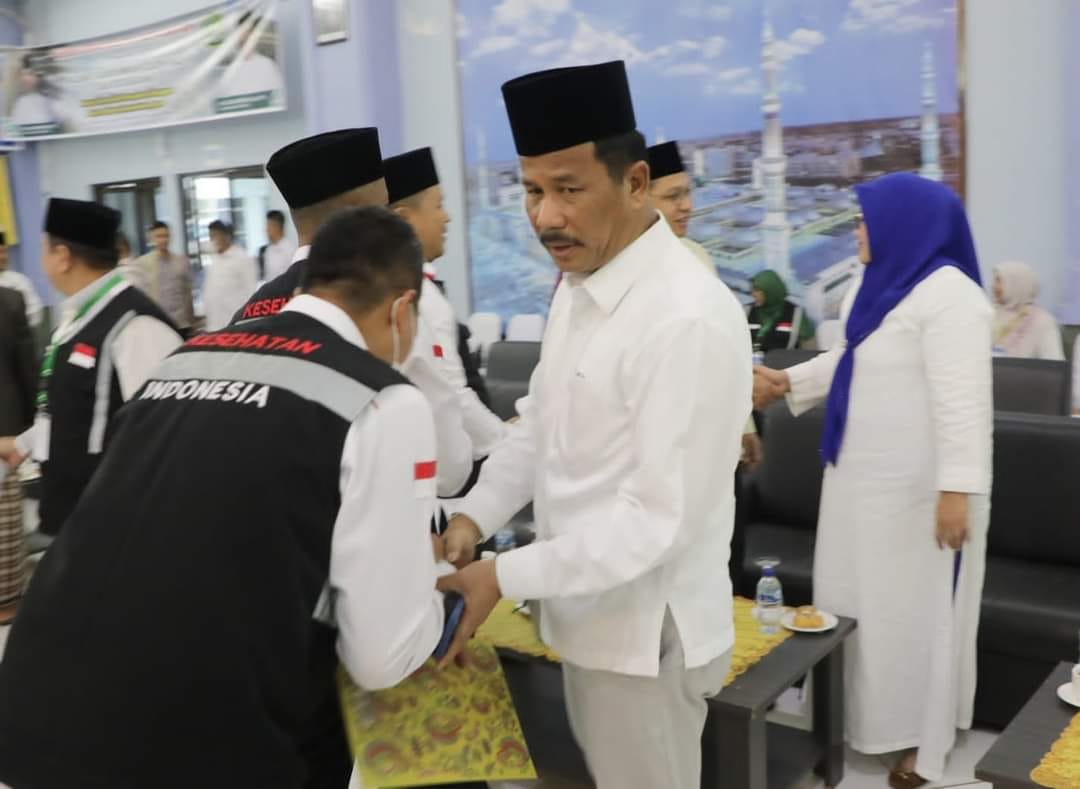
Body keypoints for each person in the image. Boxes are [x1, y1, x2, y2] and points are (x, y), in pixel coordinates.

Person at [0, 207, 457, 789]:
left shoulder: (185, 360)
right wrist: (439, 592)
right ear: (402, 309)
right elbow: (379, 657)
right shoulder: (382, 400)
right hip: (195, 743)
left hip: (35, 710)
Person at [438, 61, 752, 789]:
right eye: (532, 191)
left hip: (646, 636)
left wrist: (502, 573)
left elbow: (653, 523)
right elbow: (540, 422)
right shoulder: (582, 287)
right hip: (588, 615)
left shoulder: (685, 315)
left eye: (569, 189)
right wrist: (472, 516)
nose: (546, 217)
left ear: (635, 182)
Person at [753, 173, 992, 789]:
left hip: (923, 498)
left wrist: (956, 492)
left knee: (915, 615)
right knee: (855, 604)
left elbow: (964, 403)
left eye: (865, 219)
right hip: (860, 485)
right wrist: (789, 381)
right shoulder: (877, 283)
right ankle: (854, 723)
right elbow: (854, 357)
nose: (857, 229)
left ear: (905, 225)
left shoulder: (952, 297)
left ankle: (919, 743)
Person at [235, 128, 474, 497]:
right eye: (386, 211)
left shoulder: (249, 310)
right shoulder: (385, 303)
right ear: (366, 218)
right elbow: (450, 464)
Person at [0, 198, 182, 537]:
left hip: (116, 529)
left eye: (44, 249)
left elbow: (164, 438)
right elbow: (78, 412)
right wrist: (21, 445)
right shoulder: (76, 320)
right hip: (75, 520)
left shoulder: (136, 326)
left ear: (62, 256)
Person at [384, 146, 509, 459]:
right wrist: (506, 441)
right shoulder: (420, 296)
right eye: (438, 205)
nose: (447, 217)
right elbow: (452, 395)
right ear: (404, 220)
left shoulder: (387, 288)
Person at [0, 287, 35, 625]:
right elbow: (26, 370)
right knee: (4, 520)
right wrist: (26, 433)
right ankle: (6, 602)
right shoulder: (8, 300)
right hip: (4, 432)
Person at [647, 140, 713, 271]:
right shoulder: (622, 269)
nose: (687, 206)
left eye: (687, 192)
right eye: (673, 196)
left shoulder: (697, 256)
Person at [990, 260, 1064, 360]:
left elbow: (1054, 363)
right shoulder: (990, 313)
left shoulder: (1043, 321)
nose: (993, 286)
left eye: (999, 281)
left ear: (1017, 284)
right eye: (995, 281)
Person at [132, 220, 196, 334]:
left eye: (166, 236)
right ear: (151, 239)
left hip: (181, 323)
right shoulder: (142, 263)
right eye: (159, 236)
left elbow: (187, 293)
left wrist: (192, 321)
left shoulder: (181, 261)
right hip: (157, 324)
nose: (163, 240)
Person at [202, 219, 258, 331]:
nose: (212, 240)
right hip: (215, 324)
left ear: (226, 236)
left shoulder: (242, 258)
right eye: (210, 236)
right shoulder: (215, 259)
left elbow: (251, 291)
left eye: (215, 236)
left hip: (235, 324)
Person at [217, 12, 285, 105]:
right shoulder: (229, 69)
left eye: (248, 31)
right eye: (241, 31)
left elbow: (278, 100)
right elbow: (223, 101)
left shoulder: (266, 65)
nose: (244, 35)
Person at [747, 269, 816, 351]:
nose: (753, 294)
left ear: (771, 290)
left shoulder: (796, 314)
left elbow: (810, 349)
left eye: (757, 290)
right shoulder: (746, 312)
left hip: (785, 358)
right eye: (752, 290)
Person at [0, 231, 44, 328]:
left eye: (5, 251)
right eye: (0, 252)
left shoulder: (20, 281)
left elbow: (36, 312)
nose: (3, 257)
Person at [263, 208, 297, 281]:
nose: (266, 230)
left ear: (277, 226)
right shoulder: (268, 250)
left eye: (269, 225)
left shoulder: (290, 250)